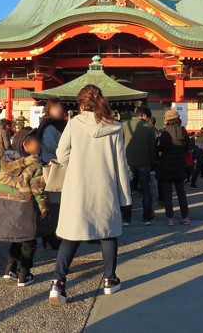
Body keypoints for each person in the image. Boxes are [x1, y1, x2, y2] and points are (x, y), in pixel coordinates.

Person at [49, 85, 131, 305]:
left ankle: (58, 282)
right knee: (108, 232)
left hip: (78, 184)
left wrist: (73, 165)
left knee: (72, 233)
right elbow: (120, 162)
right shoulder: (114, 127)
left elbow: (61, 153)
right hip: (105, 184)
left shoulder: (74, 124)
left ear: (81, 103)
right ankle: (109, 279)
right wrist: (125, 195)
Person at [0, 128, 48, 286]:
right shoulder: (35, 164)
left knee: (16, 238)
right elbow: (38, 190)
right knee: (29, 241)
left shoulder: (6, 162)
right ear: (26, 145)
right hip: (25, 207)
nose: (40, 144)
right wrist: (44, 208)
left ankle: (10, 269)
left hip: (6, 205)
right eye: (37, 141)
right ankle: (24, 274)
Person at [36, 98, 67, 249]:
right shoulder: (49, 126)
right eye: (55, 108)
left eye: (60, 108)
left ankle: (53, 233)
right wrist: (67, 150)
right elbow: (51, 146)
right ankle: (53, 234)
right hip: (53, 168)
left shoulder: (59, 125)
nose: (59, 110)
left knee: (57, 201)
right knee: (55, 201)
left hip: (59, 166)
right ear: (49, 110)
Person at [122, 106, 157, 226]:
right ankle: (147, 217)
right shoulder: (149, 128)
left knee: (128, 190)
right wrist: (153, 163)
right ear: (145, 116)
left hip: (128, 161)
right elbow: (152, 148)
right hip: (145, 162)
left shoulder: (125, 125)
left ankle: (126, 218)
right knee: (145, 190)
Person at [157, 111, 190, 226]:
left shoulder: (165, 133)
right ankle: (185, 217)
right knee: (181, 192)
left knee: (167, 193)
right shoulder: (183, 131)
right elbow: (187, 147)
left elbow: (160, 148)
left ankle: (170, 218)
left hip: (166, 165)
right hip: (180, 165)